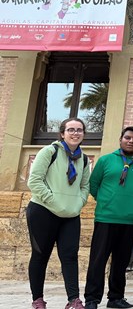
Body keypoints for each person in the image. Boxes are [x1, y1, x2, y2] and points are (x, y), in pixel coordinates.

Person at [84, 126, 133, 309]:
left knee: (121, 262)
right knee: (97, 261)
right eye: (128, 138)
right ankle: (92, 299)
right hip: (105, 219)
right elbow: (93, 185)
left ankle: (115, 298)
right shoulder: (106, 160)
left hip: (130, 221)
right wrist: (107, 202)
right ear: (121, 139)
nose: (131, 141)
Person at [27, 118, 91, 309]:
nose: (75, 133)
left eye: (79, 130)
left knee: (70, 256)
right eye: (71, 129)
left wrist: (78, 204)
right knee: (40, 255)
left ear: (83, 135)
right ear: (62, 133)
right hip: (43, 210)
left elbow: (85, 186)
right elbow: (35, 181)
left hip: (70, 215)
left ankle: (74, 300)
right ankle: (37, 299)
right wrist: (54, 201)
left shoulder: (84, 158)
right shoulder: (49, 152)